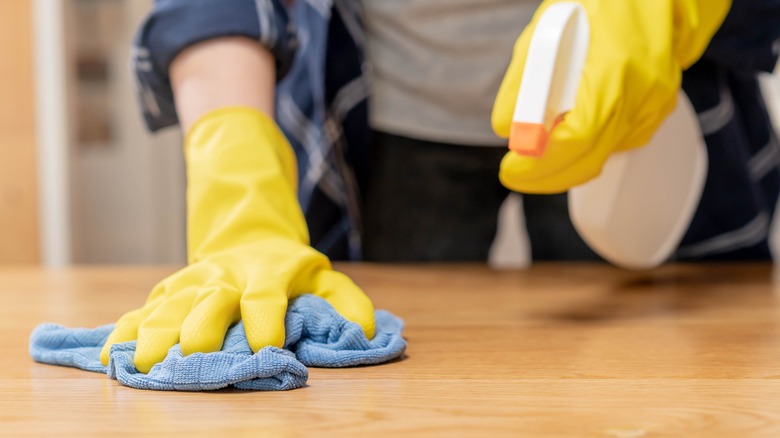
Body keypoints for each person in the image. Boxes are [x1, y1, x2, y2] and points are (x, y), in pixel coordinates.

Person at [101, 0, 780, 373]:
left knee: (673, 369)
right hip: (390, 115)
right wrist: (233, 161)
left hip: (632, 107)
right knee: (381, 383)